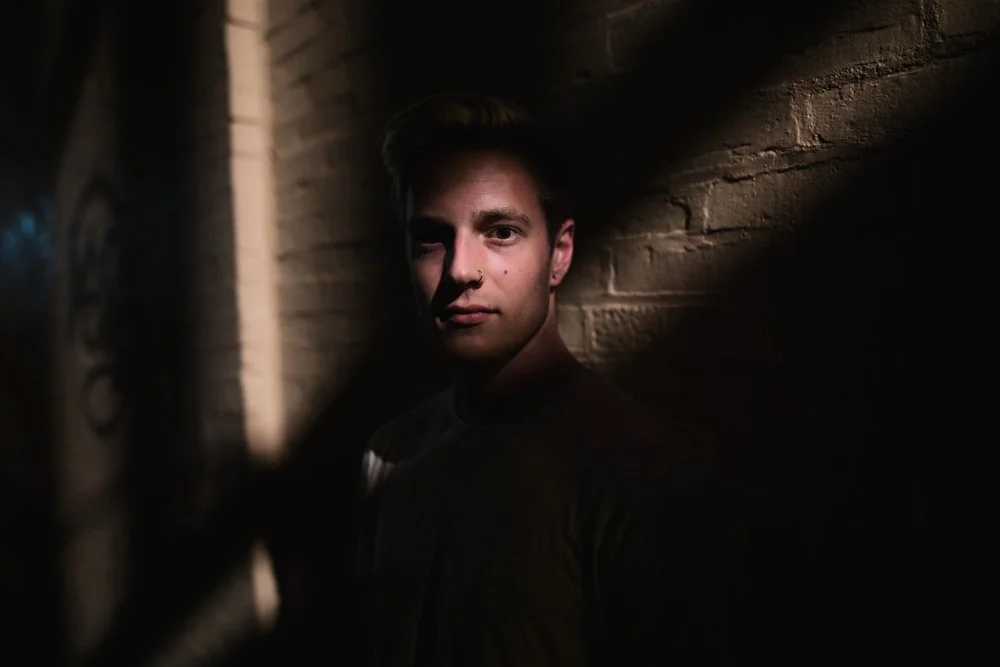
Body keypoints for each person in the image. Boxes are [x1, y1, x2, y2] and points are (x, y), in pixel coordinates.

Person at [355, 93, 747, 666]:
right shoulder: (388, 456)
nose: (460, 269)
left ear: (559, 253)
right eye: (431, 237)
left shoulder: (641, 484)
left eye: (500, 232)